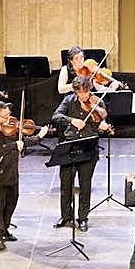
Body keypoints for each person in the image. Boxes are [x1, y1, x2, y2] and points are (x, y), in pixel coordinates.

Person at [0, 99, 50, 250]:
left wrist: (39, 136)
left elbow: (23, 141)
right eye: (5, 115)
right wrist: (12, 145)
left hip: (11, 170)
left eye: (8, 114)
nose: (8, 118)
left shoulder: (11, 125)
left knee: (12, 201)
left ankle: (5, 229)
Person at [51, 76, 114, 231]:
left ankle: (83, 217)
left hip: (88, 146)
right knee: (66, 184)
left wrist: (101, 125)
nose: (84, 96)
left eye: (86, 92)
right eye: (80, 93)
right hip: (70, 145)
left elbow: (101, 119)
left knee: (85, 185)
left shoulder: (97, 102)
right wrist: (72, 121)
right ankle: (66, 216)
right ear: (75, 91)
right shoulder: (68, 100)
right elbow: (56, 116)